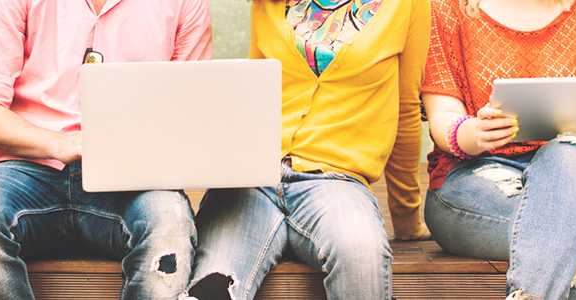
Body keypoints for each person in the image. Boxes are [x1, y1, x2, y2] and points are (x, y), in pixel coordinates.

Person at [0, 0, 210, 299]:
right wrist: (58, 143)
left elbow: (188, 110)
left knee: (170, 222)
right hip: (26, 172)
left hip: (132, 177)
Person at [181, 1, 428, 299]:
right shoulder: (267, 4)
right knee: (213, 284)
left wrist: (406, 218)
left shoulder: (405, 5)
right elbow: (253, 92)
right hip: (254, 181)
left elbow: (405, 108)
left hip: (336, 182)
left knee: (363, 255)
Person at [420, 0, 576, 298]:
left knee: (568, 148)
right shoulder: (446, 7)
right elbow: (442, 117)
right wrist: (474, 132)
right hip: (476, 180)